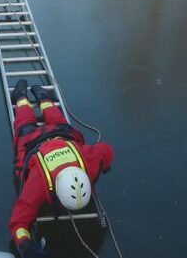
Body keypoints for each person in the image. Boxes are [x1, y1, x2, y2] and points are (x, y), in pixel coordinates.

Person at [7, 79, 114, 258]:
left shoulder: (90, 164)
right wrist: (26, 247)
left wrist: (105, 165)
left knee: (56, 122)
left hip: (60, 134)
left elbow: (105, 151)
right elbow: (18, 223)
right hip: (36, 141)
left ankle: (43, 100)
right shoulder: (39, 184)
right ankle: (22, 98)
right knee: (25, 124)